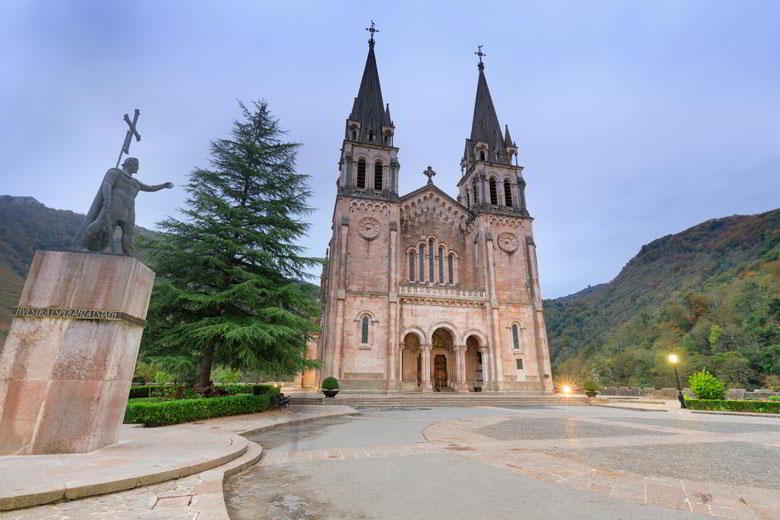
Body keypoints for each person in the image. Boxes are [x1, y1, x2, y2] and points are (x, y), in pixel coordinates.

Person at [80, 157, 172, 255]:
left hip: (129, 207)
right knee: (101, 223)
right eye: (136, 165)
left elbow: (150, 188)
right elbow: (107, 185)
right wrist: (107, 200)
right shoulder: (115, 172)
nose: (138, 168)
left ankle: (128, 253)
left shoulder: (135, 182)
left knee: (129, 232)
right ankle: (83, 245)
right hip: (116, 201)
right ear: (130, 164)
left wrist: (163, 185)